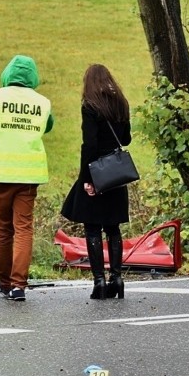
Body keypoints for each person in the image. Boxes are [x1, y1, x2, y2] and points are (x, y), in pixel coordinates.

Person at [0, 55, 54, 302]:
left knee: (2, 230)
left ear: (7, 74)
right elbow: (47, 126)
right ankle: (19, 285)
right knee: (24, 228)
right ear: (33, 77)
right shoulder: (42, 102)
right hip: (28, 175)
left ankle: (4, 283)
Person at [61, 64, 133, 300]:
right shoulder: (121, 103)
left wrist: (86, 180)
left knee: (92, 227)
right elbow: (126, 139)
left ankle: (99, 282)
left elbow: (89, 145)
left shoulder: (90, 106)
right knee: (113, 227)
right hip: (117, 174)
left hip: (98, 171)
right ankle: (117, 278)